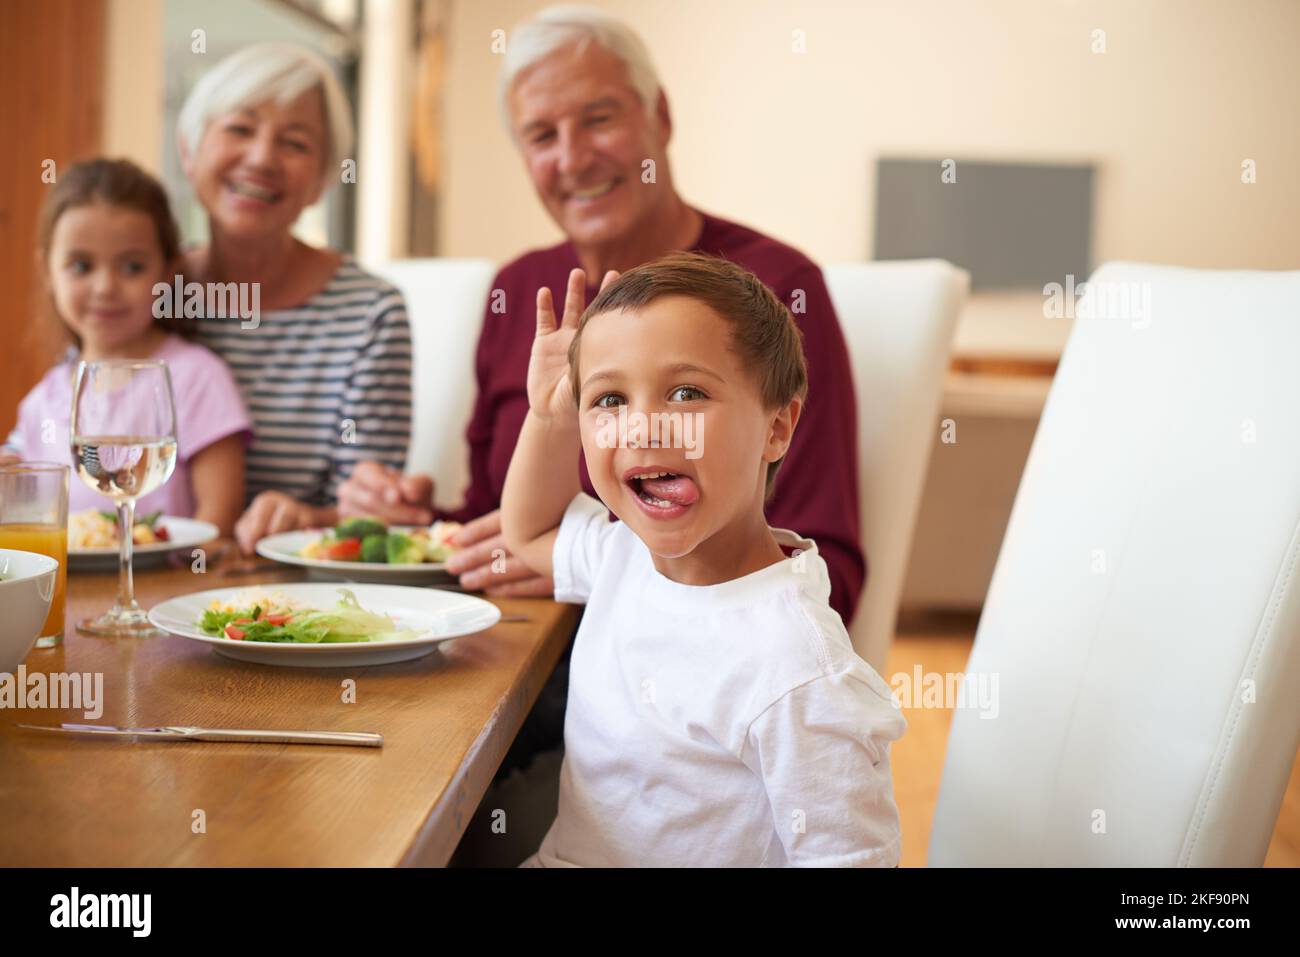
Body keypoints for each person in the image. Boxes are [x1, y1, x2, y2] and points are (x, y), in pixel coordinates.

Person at [338, 5, 864, 623]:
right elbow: (499, 521)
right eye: (542, 136)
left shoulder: (774, 288)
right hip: (517, 648)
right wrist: (411, 521)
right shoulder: (522, 290)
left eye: (599, 119)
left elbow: (830, 574)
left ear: (660, 117)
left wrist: (586, 569)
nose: (573, 157)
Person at [503, 253, 904, 866]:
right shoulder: (622, 556)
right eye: (609, 400)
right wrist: (549, 415)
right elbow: (530, 531)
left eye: (686, 393)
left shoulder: (800, 671)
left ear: (777, 427)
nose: (642, 429)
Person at [175, 42, 413, 552]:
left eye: (296, 143)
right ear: (189, 152)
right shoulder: (146, 291)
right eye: (239, 128)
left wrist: (305, 516)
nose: (261, 158)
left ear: (322, 183)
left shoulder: (371, 313)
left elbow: (364, 513)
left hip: (298, 591)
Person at [3, 159, 250, 534]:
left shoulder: (195, 377)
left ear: (168, 272)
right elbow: (21, 499)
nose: (105, 287)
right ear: (48, 272)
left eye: (132, 267)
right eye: (81, 266)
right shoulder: (44, 398)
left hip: (167, 586)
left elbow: (219, 518)